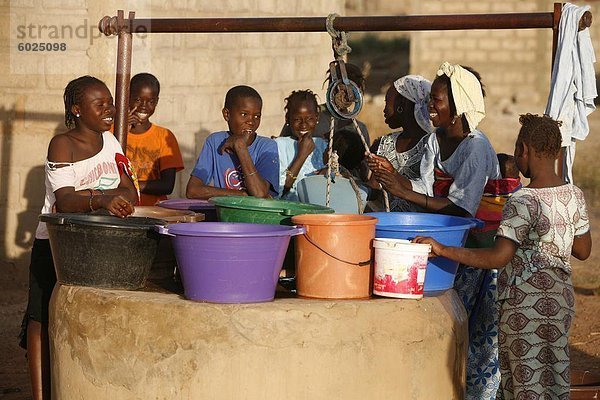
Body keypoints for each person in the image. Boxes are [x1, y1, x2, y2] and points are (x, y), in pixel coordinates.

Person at [415, 114, 591, 400]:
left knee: (524, 379)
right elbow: (583, 250)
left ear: (523, 150)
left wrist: (444, 249)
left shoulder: (522, 200)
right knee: (553, 373)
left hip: (523, 307)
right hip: (559, 305)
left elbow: (499, 257)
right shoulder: (574, 195)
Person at [368, 62, 501, 399]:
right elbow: (426, 191)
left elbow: (461, 208)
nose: (430, 104)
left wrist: (402, 190)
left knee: (480, 338)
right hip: (450, 244)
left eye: (438, 100)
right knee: (451, 325)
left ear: (458, 108)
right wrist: (392, 178)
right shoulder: (434, 142)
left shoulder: (475, 147)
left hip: (481, 251)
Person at [19, 75, 139, 400]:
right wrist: (102, 198)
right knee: (40, 316)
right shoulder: (63, 144)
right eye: (99, 104)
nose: (109, 109)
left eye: (110, 102)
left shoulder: (112, 142)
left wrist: (102, 196)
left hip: (99, 242)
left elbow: (131, 191)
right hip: (56, 242)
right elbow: (65, 201)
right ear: (77, 109)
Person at [186, 85, 279, 199]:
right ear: (227, 114)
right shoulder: (215, 142)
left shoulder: (267, 146)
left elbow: (259, 192)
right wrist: (243, 195)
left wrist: (241, 148)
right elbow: (193, 191)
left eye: (257, 116)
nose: (251, 121)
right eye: (244, 114)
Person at [366, 74, 434, 211]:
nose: (384, 110)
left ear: (402, 105)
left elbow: (432, 191)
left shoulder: (431, 144)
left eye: (387, 102)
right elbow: (373, 189)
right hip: (390, 224)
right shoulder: (386, 142)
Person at [126, 73, 184, 206]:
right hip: (120, 210)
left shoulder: (164, 136)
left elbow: (167, 185)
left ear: (156, 102)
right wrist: (123, 131)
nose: (144, 106)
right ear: (127, 98)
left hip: (154, 211)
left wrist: (128, 187)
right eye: (138, 100)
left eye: (151, 101)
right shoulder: (112, 132)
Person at [275, 90, 328, 201]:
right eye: (297, 119)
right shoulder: (278, 146)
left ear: (317, 118)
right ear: (287, 119)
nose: (303, 125)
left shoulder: (324, 145)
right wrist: (301, 156)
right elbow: (278, 191)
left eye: (309, 119)